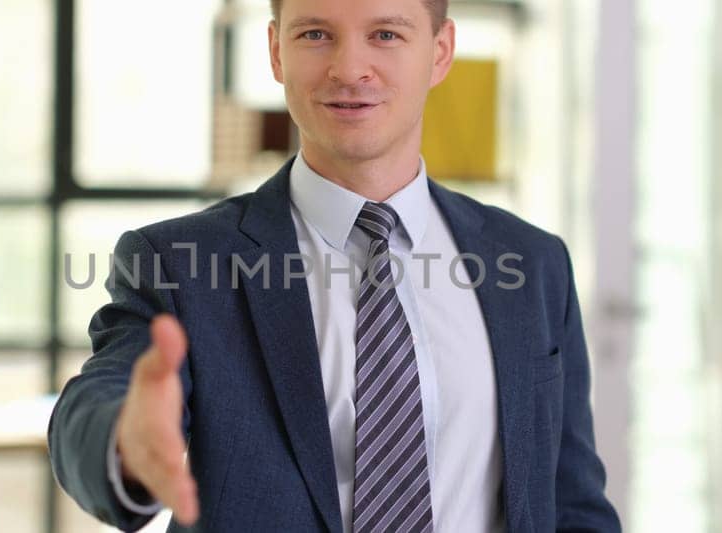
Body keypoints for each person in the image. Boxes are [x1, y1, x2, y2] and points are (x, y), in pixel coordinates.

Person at [49, 0, 621, 530]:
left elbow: (571, 501)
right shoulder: (180, 265)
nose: (350, 68)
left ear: (440, 51)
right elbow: (103, 395)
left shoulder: (531, 262)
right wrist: (122, 442)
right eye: (316, 33)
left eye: (386, 34)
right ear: (277, 51)